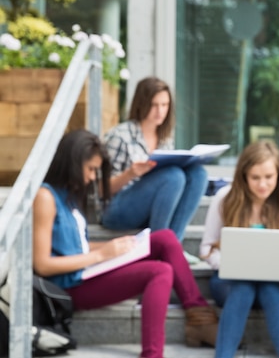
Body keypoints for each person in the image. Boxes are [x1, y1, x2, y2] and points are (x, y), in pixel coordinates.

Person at [32, 129, 218, 358]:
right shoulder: (45, 197)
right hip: (70, 286)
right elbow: (42, 265)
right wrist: (102, 255)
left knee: (166, 238)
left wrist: (116, 246)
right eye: (90, 169)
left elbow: (75, 246)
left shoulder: (69, 196)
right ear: (72, 163)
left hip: (87, 270)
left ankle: (199, 316)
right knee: (159, 272)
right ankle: (152, 354)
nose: (92, 177)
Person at [199, 140, 279, 358]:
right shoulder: (225, 198)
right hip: (229, 283)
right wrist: (229, 264)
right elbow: (206, 248)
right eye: (255, 178)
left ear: (278, 175)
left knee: (271, 289)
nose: (262, 184)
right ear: (244, 175)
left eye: (269, 177)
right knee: (243, 286)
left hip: (272, 283)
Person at [101, 76, 208, 263]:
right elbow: (101, 190)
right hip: (118, 209)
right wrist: (130, 174)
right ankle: (157, 247)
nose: (160, 112)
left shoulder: (165, 138)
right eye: (154, 105)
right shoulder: (120, 136)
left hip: (152, 207)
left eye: (165, 105)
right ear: (142, 104)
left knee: (198, 174)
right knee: (173, 176)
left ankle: (173, 245)